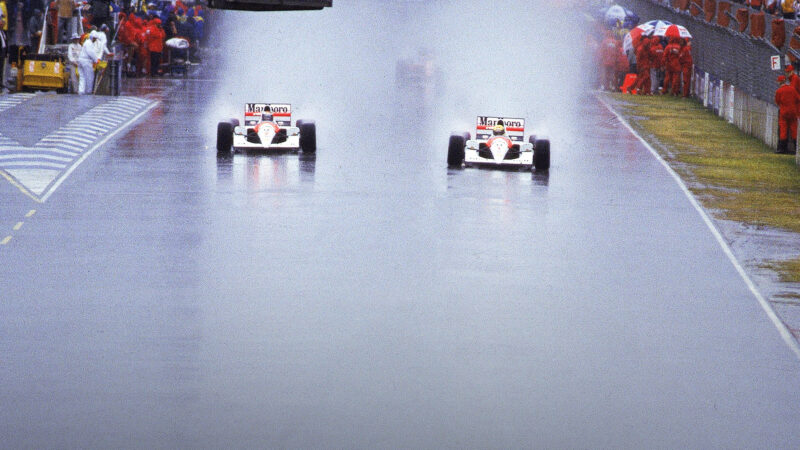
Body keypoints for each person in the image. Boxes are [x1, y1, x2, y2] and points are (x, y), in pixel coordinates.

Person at [775, 75, 800, 154]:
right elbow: (798, 98)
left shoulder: (779, 91)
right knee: (794, 129)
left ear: (779, 82)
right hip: (793, 111)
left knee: (783, 129)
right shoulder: (792, 89)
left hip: (784, 112)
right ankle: (796, 148)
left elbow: (777, 101)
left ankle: (782, 148)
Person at [0, 11, 6, 93]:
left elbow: (5, 42)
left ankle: (1, 84)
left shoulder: (2, 32)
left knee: (1, 70)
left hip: (3, 53)